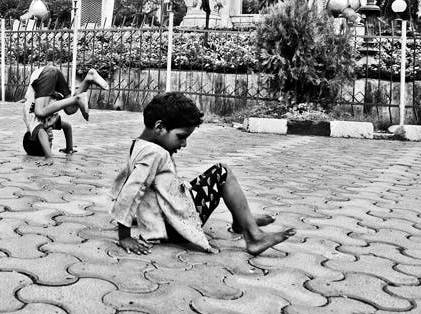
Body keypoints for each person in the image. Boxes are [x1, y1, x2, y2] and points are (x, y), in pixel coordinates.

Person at [110, 92, 295, 256]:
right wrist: (124, 236)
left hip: (165, 217)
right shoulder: (155, 153)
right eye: (181, 136)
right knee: (221, 173)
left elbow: (127, 180)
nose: (183, 145)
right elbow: (131, 190)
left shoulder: (139, 145)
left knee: (203, 182)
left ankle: (242, 221)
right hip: (173, 226)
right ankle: (254, 237)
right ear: (159, 128)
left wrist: (137, 216)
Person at [21, 65, 109, 166]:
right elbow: (67, 127)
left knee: (40, 111)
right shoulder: (49, 122)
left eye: (48, 140)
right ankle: (89, 78)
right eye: (51, 141)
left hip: (44, 74)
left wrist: (48, 157)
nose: (51, 137)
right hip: (54, 75)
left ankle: (77, 98)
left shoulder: (32, 124)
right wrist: (69, 149)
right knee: (70, 109)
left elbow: (41, 134)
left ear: (34, 137)